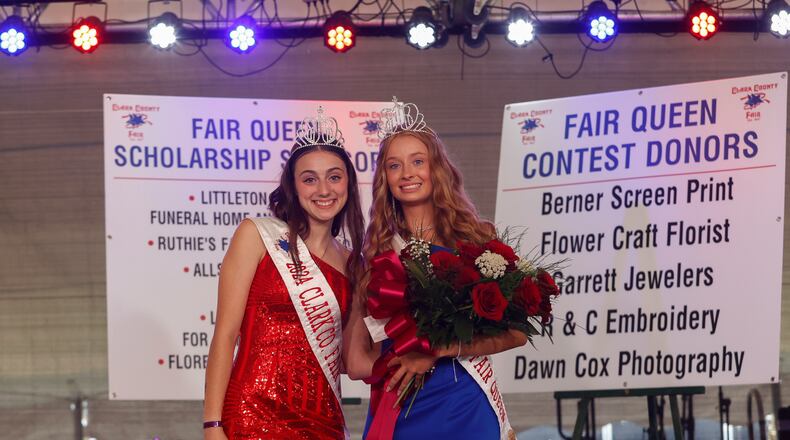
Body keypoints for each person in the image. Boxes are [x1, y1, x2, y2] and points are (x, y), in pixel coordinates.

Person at [353, 98, 527, 440]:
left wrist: (437, 351)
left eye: (418, 161)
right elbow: (358, 358)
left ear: (437, 168)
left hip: (466, 399)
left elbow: (517, 334)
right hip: (405, 403)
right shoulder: (375, 255)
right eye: (394, 165)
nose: (407, 174)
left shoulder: (478, 239)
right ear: (384, 178)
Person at [202, 107, 365, 440]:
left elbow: (352, 360)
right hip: (252, 411)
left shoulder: (355, 265)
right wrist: (212, 424)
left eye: (334, 176)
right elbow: (226, 334)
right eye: (309, 179)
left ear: (348, 183)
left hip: (323, 420)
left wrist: (423, 351)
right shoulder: (257, 235)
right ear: (293, 186)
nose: (323, 189)